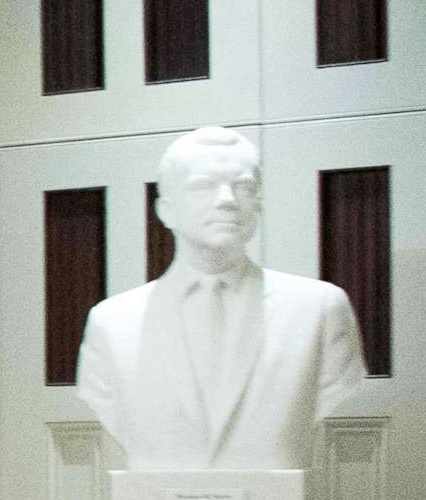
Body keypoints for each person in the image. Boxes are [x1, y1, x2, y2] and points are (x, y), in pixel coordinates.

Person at [76, 125, 369, 471]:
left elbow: (334, 391)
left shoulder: (319, 309)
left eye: (243, 186)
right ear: (166, 210)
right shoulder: (112, 321)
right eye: (203, 186)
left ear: (258, 204)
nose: (228, 199)